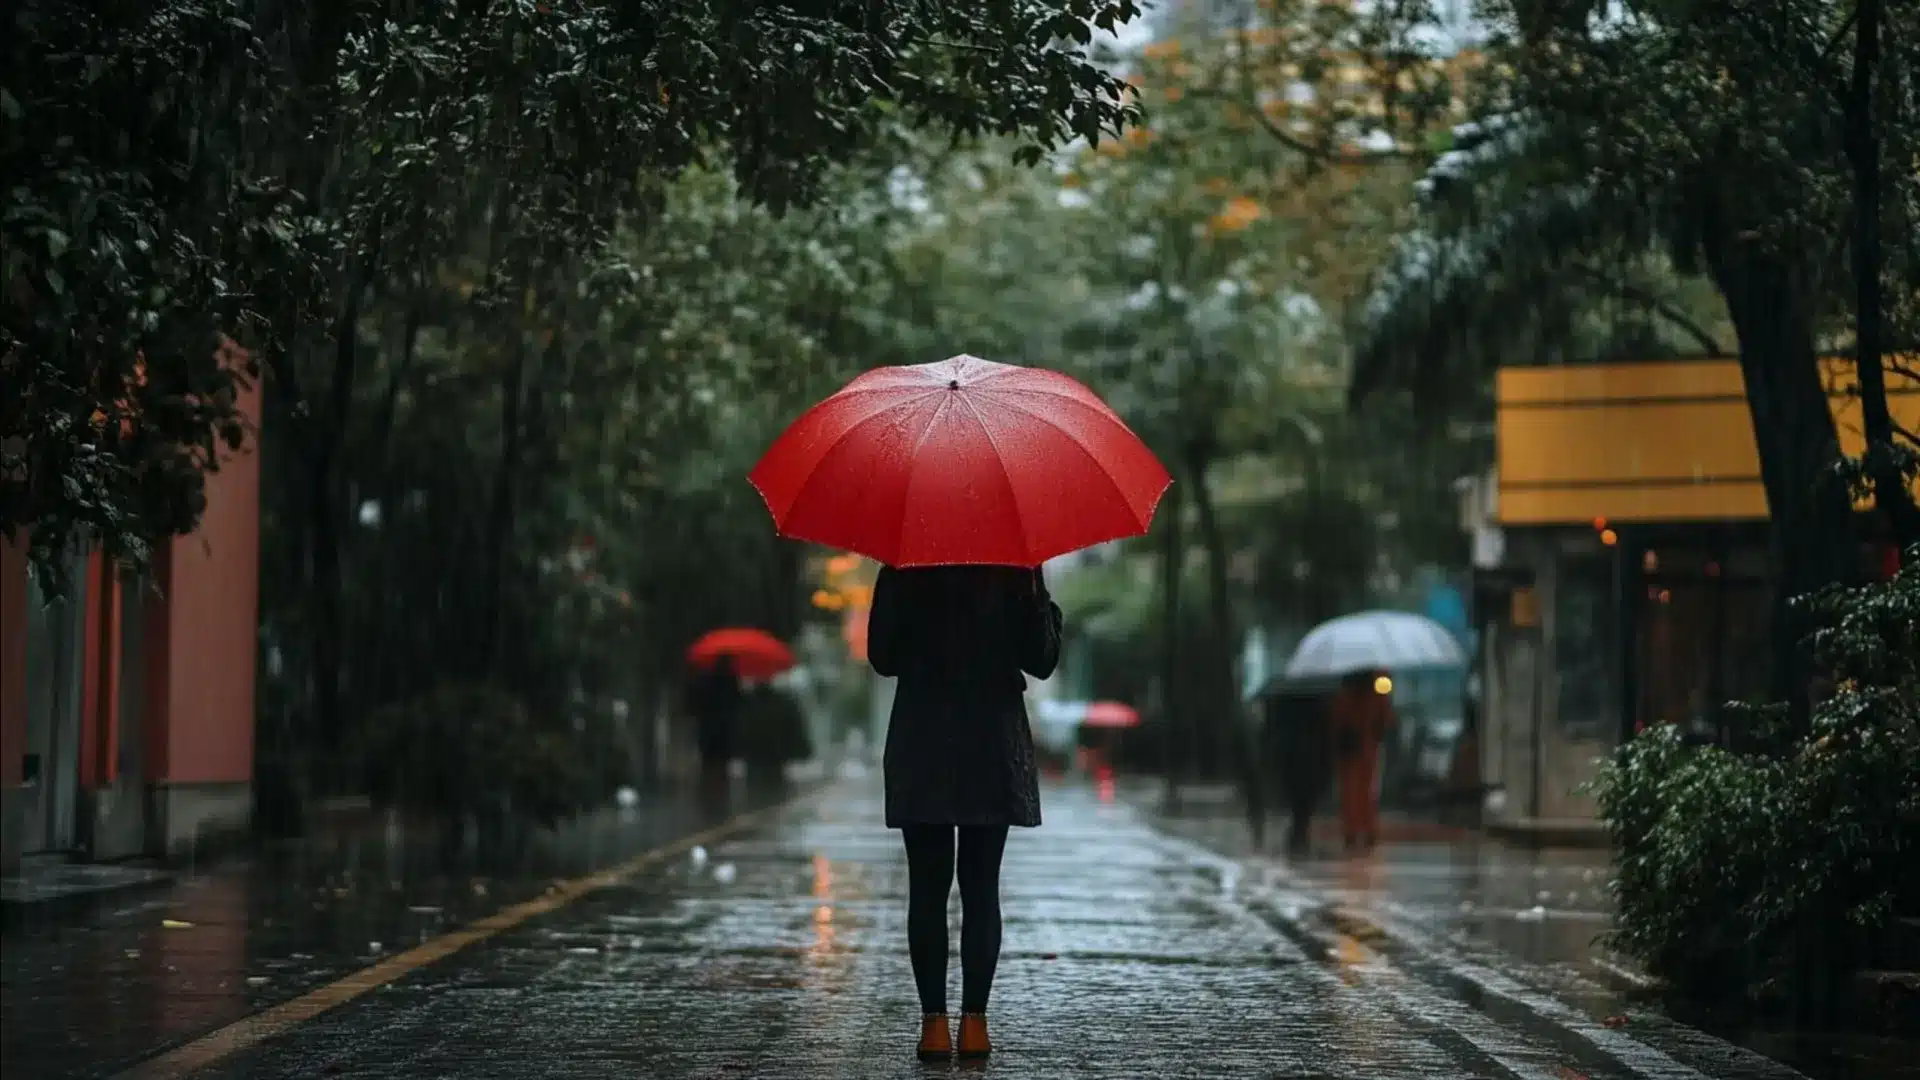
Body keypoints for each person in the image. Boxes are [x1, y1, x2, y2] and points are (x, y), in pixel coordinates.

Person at [867, 562, 1062, 1060]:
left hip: (922, 733)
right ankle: (974, 1025)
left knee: (927, 890)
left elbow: (882, 656)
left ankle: (934, 1026)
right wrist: (1037, 597)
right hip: (989, 738)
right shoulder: (1014, 563)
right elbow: (1041, 659)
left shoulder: (905, 560)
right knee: (981, 888)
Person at [1329, 670, 1396, 852]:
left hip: (1352, 748)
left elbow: (1337, 719)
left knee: (1351, 790)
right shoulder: (1378, 682)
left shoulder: (1345, 689)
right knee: (1367, 790)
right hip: (1368, 746)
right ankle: (1366, 830)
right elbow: (1386, 715)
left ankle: (1353, 831)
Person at [688, 656, 742, 804]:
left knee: (709, 763)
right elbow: (737, 703)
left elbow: (694, 703)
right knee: (721, 763)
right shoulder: (731, 680)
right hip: (723, 729)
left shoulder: (704, 679)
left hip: (707, 729)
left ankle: (709, 794)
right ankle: (719, 795)